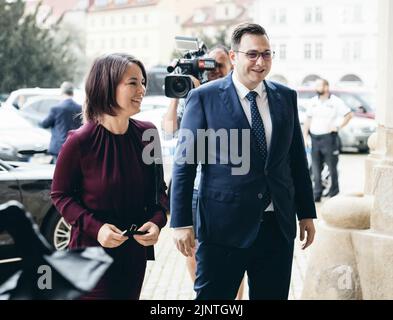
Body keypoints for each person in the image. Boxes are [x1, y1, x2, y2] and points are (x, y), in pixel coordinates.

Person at [170, 23, 317, 300]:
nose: (260, 62)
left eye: (266, 54)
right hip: (222, 228)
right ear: (234, 56)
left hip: (277, 226)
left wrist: (306, 212)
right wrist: (180, 222)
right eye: (252, 54)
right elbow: (184, 165)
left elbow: (296, 159)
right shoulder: (203, 98)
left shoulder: (286, 97)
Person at [50, 53, 168, 300]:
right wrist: (97, 228)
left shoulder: (148, 134)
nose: (142, 89)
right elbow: (60, 195)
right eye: (133, 82)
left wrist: (157, 222)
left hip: (134, 256)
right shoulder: (79, 141)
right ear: (107, 86)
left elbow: (159, 192)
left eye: (143, 82)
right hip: (91, 257)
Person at [162, 46, 246, 299]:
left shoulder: (236, 96)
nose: (214, 71)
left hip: (228, 188)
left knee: (234, 253)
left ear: (231, 64)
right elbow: (169, 129)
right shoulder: (195, 96)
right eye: (209, 65)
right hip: (195, 186)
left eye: (219, 65)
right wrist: (181, 92)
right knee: (193, 250)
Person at [303, 78, 353, 202]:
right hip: (315, 138)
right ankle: (317, 193)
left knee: (332, 167)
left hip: (329, 138)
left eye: (319, 85)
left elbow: (349, 115)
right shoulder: (312, 102)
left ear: (326, 87)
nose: (316, 88)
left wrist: (338, 127)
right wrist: (304, 136)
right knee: (315, 168)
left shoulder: (335, 101)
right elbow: (308, 120)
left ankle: (334, 193)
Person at [39, 82, 82, 163]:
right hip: (75, 146)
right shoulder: (80, 108)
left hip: (59, 148)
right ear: (72, 93)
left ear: (62, 92)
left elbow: (45, 124)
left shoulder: (56, 108)